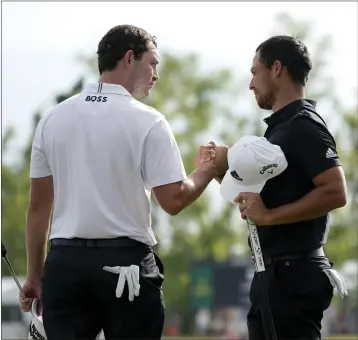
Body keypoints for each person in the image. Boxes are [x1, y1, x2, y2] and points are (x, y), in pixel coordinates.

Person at [19, 24, 224, 340]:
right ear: (130, 58)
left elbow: (38, 207)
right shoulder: (148, 120)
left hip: (66, 267)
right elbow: (173, 200)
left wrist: (34, 274)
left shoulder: (52, 118)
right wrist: (207, 171)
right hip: (125, 266)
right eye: (153, 63)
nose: (156, 73)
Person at [201, 35, 348, 340]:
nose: (251, 84)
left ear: (277, 68)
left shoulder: (304, 125)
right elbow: (262, 203)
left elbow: (336, 191)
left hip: (294, 274)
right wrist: (222, 172)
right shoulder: (280, 129)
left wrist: (270, 216)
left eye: (255, 72)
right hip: (275, 275)